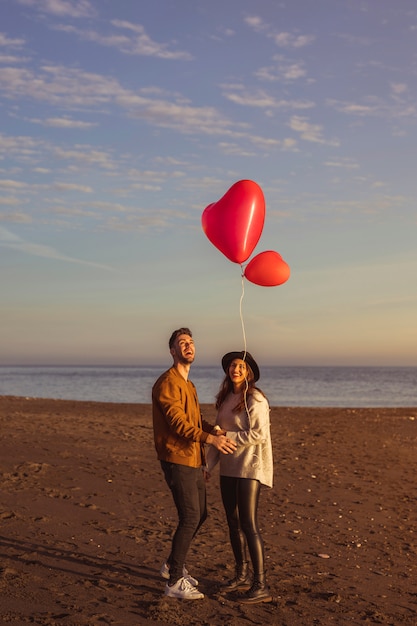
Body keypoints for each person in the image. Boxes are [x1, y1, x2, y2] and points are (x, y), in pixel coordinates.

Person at [152, 327, 237, 600]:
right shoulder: (167, 383)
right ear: (172, 351)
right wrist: (210, 441)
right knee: (189, 516)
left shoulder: (188, 384)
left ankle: (171, 565)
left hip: (192, 457)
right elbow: (178, 424)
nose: (188, 346)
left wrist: (213, 430)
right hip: (177, 457)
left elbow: (194, 419)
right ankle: (174, 581)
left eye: (191, 342)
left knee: (200, 514)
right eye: (181, 343)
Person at [206, 350, 273, 604]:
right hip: (229, 469)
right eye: (233, 365)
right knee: (232, 523)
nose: (235, 369)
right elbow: (217, 437)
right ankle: (240, 575)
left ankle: (261, 584)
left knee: (249, 524)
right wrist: (207, 465)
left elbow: (258, 434)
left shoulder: (254, 398)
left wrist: (227, 438)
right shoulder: (226, 398)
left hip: (249, 468)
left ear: (248, 373)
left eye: (241, 367)